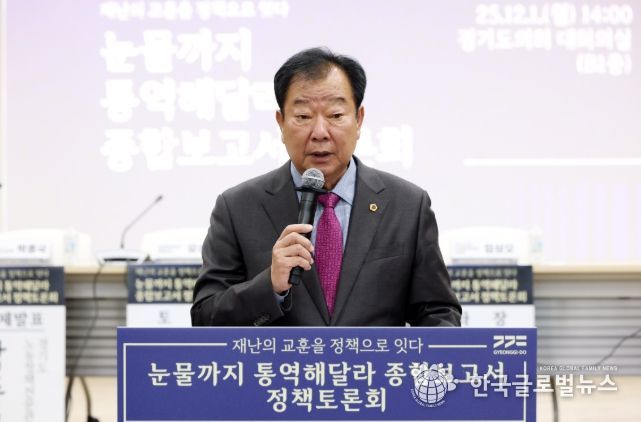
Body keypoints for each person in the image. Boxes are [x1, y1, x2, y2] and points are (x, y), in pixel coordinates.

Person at [191, 47, 461, 326]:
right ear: (280, 123)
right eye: (303, 116)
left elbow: (439, 314)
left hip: (371, 358)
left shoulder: (407, 205)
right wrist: (270, 286)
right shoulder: (237, 208)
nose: (320, 133)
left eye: (335, 115)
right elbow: (204, 318)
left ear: (359, 120)